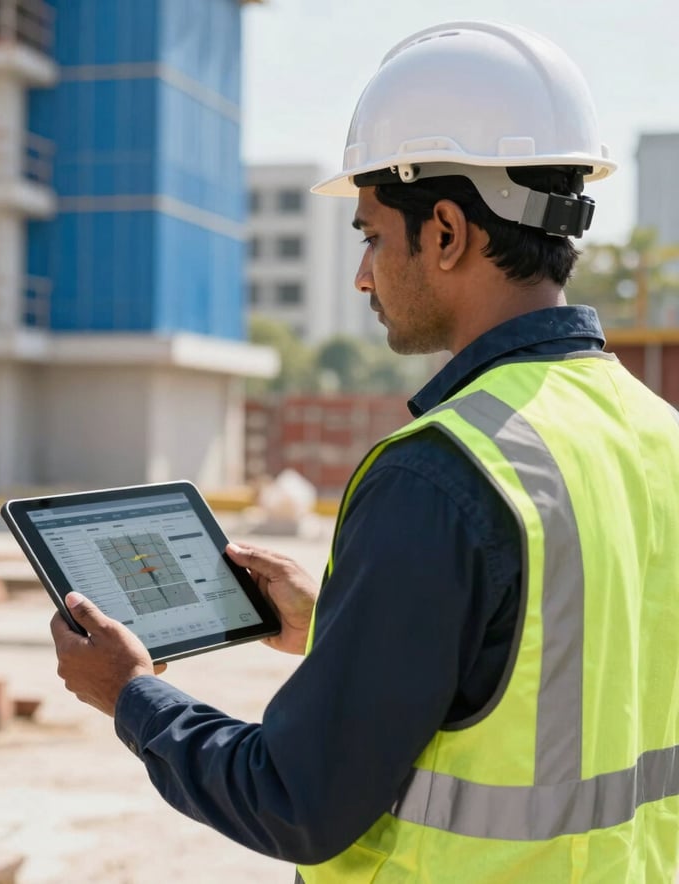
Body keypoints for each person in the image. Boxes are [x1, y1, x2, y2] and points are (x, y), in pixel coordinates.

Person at [51, 21, 679, 882]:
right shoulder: (658, 434)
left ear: (448, 231)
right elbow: (563, 677)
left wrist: (129, 694)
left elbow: (295, 800)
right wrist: (341, 627)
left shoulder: (445, 472)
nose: (362, 274)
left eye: (372, 235)